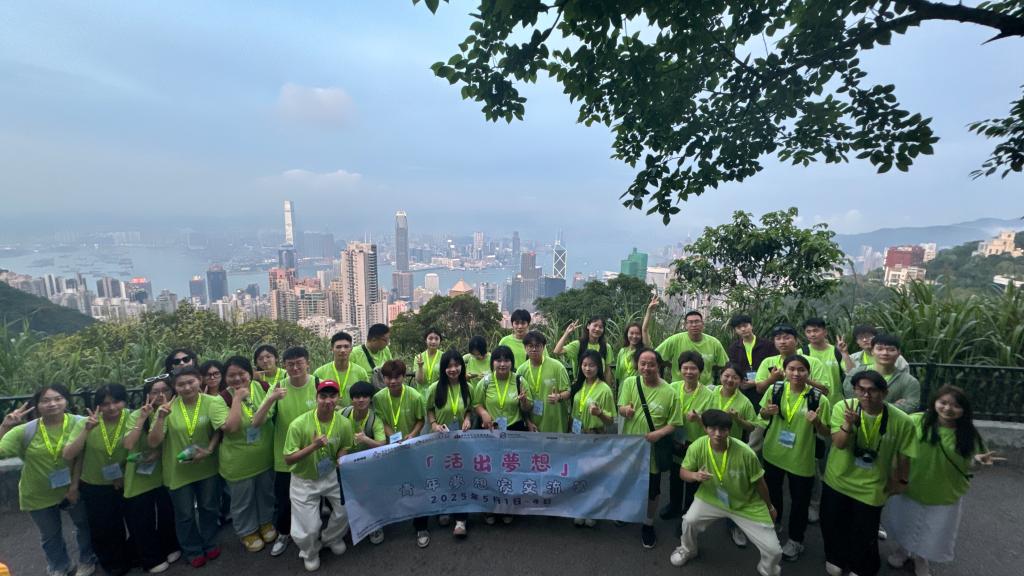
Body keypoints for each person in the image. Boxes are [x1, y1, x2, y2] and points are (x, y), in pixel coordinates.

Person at [883, 385, 1003, 576]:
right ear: (934, 403)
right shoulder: (916, 421)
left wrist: (977, 462)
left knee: (933, 530)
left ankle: (921, 558)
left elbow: (970, 465)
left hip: (944, 492)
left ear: (964, 410)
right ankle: (903, 551)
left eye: (955, 405)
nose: (948, 408)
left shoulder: (968, 434)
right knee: (905, 521)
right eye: (943, 402)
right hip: (911, 485)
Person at [822, 370, 916, 576]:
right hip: (837, 479)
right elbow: (839, 444)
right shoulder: (843, 407)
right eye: (861, 389)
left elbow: (904, 455)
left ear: (884, 392)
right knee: (833, 522)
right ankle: (835, 557)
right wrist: (848, 423)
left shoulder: (902, 421)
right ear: (854, 390)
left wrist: (901, 480)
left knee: (864, 530)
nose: (866, 395)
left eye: (872, 390)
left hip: (872, 486)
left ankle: (861, 567)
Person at [670, 409, 782, 576]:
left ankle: (767, 569)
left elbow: (760, 482)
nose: (718, 434)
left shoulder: (746, 453)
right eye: (712, 428)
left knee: (774, 550)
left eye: (723, 429)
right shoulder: (697, 446)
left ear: (729, 430)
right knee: (689, 521)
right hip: (711, 497)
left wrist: (770, 507)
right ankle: (688, 549)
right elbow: (683, 473)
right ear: (705, 428)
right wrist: (695, 476)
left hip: (746, 503)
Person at [0, 385, 97, 576]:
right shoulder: (26, 430)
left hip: (72, 488)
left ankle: (87, 560)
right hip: (38, 492)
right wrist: (4, 426)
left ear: (66, 401)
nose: (52, 404)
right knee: (50, 535)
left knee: (83, 525)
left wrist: (74, 486)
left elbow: (81, 456)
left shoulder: (80, 423)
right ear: (37, 405)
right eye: (45, 400)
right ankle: (59, 566)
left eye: (58, 398)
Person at [146, 366, 228, 568]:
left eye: (191, 382)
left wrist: (209, 449)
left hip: (206, 465)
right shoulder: (167, 408)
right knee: (185, 515)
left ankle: (210, 542)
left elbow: (219, 430)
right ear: (174, 387)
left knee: (209, 507)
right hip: (178, 470)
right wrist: (160, 417)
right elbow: (154, 442)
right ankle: (192, 549)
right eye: (181, 384)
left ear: (199, 380)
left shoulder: (212, 402)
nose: (187, 387)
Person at [758, 354, 831, 562]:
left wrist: (817, 422)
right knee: (773, 493)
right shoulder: (776, 389)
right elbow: (762, 415)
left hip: (801, 457)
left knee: (800, 501)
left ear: (808, 372)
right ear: (785, 371)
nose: (796, 373)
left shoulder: (818, 398)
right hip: (773, 452)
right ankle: (775, 523)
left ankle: (796, 540)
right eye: (791, 369)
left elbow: (827, 433)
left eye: (801, 369)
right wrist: (766, 412)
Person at [283, 380, 354, 572]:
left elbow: (345, 446)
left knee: (345, 509)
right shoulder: (299, 424)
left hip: (330, 475)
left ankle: (332, 538)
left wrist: (341, 459)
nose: (328, 401)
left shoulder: (344, 423)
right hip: (304, 479)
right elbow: (288, 458)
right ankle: (310, 551)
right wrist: (314, 446)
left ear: (339, 398)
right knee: (310, 527)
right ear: (316, 398)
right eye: (323, 396)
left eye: (332, 396)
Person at [63, 384, 131, 576]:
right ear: (98, 405)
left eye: (116, 402)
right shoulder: (87, 422)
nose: (112, 408)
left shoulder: (132, 417)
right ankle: (110, 563)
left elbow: (140, 449)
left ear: (125, 401)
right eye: (105, 404)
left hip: (126, 480)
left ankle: (128, 556)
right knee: (102, 527)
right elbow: (69, 454)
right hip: (94, 484)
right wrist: (86, 430)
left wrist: (122, 474)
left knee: (130, 522)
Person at [618, 347, 683, 549]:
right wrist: (625, 410)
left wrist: (659, 433)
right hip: (631, 447)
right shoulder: (630, 383)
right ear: (637, 365)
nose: (646, 368)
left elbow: (675, 423)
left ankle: (648, 523)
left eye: (651, 364)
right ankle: (627, 513)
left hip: (653, 450)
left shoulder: (670, 392)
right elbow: (620, 407)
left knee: (652, 489)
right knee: (628, 480)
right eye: (642, 364)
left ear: (659, 366)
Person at [262, 346, 319, 557]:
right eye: (290, 364)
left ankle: (316, 534)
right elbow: (258, 421)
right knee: (285, 501)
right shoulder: (278, 387)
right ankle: (284, 533)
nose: (295, 368)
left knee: (316, 497)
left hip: (315, 454)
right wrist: (271, 399)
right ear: (284, 366)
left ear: (308, 363)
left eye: (299, 363)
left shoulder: (318, 384)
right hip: (286, 457)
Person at [122, 376, 181, 574]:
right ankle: (150, 557)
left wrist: (158, 453)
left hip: (166, 471)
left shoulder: (176, 410)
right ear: (147, 395)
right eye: (155, 391)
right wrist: (142, 418)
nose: (161, 395)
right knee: (142, 517)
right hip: (141, 475)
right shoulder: (137, 414)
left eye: (165, 390)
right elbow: (128, 444)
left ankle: (170, 545)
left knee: (167, 512)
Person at [219, 356, 277, 553]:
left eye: (241, 373)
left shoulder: (263, 387)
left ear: (250, 373)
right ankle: (247, 531)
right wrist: (236, 399)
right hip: (238, 462)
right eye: (231, 375)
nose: (237, 378)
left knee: (265, 493)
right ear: (225, 378)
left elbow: (270, 415)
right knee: (242, 500)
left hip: (265, 456)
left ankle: (265, 522)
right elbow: (232, 428)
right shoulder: (220, 399)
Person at [372, 360, 428, 547]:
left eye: (397, 377)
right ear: (383, 378)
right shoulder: (379, 398)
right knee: (386, 485)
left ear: (404, 377)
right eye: (388, 377)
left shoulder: (415, 396)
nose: (392, 381)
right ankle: (382, 523)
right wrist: (394, 439)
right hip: (389, 449)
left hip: (412, 447)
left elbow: (420, 420)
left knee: (417, 486)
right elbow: (381, 421)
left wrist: (411, 435)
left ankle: (421, 527)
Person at [663, 351, 717, 526]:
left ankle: (688, 516)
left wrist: (699, 418)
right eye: (685, 368)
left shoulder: (709, 395)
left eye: (693, 368)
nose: (688, 372)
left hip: (696, 444)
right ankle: (674, 506)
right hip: (675, 441)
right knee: (675, 476)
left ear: (700, 371)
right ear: (679, 370)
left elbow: (713, 427)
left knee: (693, 481)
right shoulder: (672, 387)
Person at [426, 350, 474, 537]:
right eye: (449, 366)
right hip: (441, 441)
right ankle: (444, 509)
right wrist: (434, 424)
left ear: (462, 366)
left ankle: (461, 520)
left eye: (456, 365)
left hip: (462, 441)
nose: (453, 369)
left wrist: (467, 418)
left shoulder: (468, 387)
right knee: (443, 475)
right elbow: (429, 409)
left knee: (461, 477)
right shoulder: (435, 388)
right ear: (443, 368)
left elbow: (469, 409)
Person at [568, 349, 615, 527]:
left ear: (599, 367)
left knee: (594, 474)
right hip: (578, 435)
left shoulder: (604, 389)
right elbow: (573, 413)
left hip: (595, 436)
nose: (587, 368)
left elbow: (610, 421)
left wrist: (599, 413)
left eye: (592, 365)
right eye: (585, 365)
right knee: (579, 474)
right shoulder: (579, 386)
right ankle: (581, 509)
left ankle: (593, 510)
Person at [341, 381, 387, 545]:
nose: (360, 400)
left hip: (367, 465)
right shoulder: (343, 414)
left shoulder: (374, 420)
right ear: (351, 399)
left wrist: (365, 439)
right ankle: (353, 523)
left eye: (365, 396)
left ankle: (374, 526)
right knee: (349, 496)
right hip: (345, 464)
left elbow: (382, 444)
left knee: (370, 495)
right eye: (356, 397)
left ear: (370, 399)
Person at [843, 334, 921, 413]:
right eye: (880, 349)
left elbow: (910, 407)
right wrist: (892, 405)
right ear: (872, 351)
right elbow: (851, 402)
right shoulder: (855, 374)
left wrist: (869, 403)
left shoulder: (909, 381)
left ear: (898, 353)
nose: (885, 353)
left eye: (891, 350)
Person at [516, 331, 571, 433]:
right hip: (534, 426)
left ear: (543, 347)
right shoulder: (521, 370)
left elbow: (568, 392)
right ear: (525, 348)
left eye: (537, 346)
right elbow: (520, 403)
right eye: (530, 346)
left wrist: (559, 396)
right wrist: (528, 422)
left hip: (556, 423)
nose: (534, 349)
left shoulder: (557, 367)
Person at [655, 309, 728, 386]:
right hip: (679, 387)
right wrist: (672, 365)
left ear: (703, 324)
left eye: (697, 321)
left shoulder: (714, 343)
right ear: (685, 325)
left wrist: (708, 369)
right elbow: (655, 356)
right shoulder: (675, 340)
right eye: (690, 322)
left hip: (706, 387)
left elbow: (724, 364)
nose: (694, 325)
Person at [754, 324, 830, 397]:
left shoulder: (813, 362)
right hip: (776, 405)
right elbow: (759, 389)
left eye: (787, 338)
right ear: (774, 342)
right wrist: (772, 379)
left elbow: (825, 391)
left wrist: (804, 379)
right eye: (778, 339)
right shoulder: (767, 362)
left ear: (796, 341)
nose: (782, 342)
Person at [475, 345, 528, 435]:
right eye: (499, 361)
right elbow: (476, 404)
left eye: (506, 361)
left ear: (512, 362)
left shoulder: (519, 381)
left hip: (516, 429)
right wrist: (483, 413)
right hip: (492, 428)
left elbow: (527, 409)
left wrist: (524, 402)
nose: (502, 364)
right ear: (492, 362)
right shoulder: (485, 382)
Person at [312, 332, 369, 409]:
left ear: (351, 349)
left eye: (346, 346)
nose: (342, 350)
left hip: (352, 414)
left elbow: (366, 398)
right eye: (338, 347)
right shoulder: (319, 373)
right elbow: (314, 399)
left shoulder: (361, 372)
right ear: (332, 349)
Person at [553, 317, 614, 384]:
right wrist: (567, 333)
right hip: (580, 385)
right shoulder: (578, 344)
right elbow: (557, 351)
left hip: (599, 386)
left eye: (600, 327)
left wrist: (608, 387)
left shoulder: (606, 347)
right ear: (588, 326)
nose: (597, 329)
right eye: (595, 325)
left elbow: (607, 371)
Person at [801, 318, 846, 405]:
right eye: (808, 332)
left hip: (836, 402)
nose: (812, 334)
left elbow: (850, 372)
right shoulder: (801, 353)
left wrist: (845, 353)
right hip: (810, 402)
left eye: (815, 331)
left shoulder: (836, 352)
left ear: (825, 332)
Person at [615, 295, 655, 388]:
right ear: (627, 334)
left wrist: (649, 310)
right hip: (623, 391)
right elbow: (618, 376)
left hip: (639, 390)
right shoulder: (622, 351)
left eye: (637, 334)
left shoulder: (644, 351)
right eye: (631, 333)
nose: (634, 336)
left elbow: (645, 329)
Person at [842, 324, 911, 373]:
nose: (865, 340)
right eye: (860, 337)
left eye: (868, 336)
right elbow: (850, 374)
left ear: (876, 337)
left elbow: (905, 378)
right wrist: (844, 352)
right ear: (857, 342)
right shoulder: (852, 358)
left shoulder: (894, 357)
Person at [414, 328, 444, 399]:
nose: (433, 341)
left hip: (439, 395)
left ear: (440, 341)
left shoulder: (444, 356)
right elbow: (420, 381)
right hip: (422, 396)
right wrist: (420, 366)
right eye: (430, 338)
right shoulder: (419, 357)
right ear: (425, 340)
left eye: (436, 339)